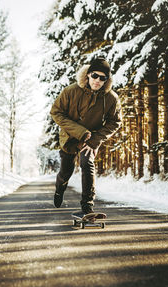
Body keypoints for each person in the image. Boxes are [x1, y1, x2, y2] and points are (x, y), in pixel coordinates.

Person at [50, 57, 121, 215]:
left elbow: (115, 122)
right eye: (95, 76)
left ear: (106, 80)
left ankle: (87, 206)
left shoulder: (111, 99)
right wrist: (80, 131)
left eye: (102, 78)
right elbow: (56, 112)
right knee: (65, 171)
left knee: (87, 164)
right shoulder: (71, 91)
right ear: (88, 74)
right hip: (69, 137)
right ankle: (59, 189)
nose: (97, 80)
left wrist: (96, 139)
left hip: (90, 140)